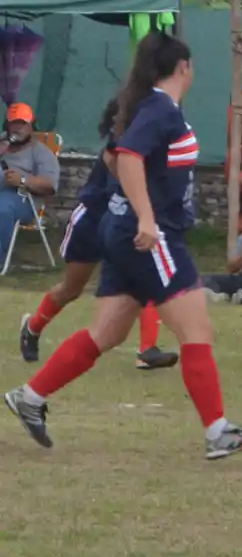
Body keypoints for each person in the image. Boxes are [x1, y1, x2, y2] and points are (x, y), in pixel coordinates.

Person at [4, 31, 242, 459]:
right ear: (183, 67)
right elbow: (126, 156)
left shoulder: (150, 106)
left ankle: (29, 398)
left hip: (126, 231)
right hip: (151, 235)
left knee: (107, 333)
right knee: (196, 329)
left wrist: (134, 202)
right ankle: (219, 431)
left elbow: (116, 156)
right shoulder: (160, 109)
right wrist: (145, 215)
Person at [19, 98, 178, 370]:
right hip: (93, 219)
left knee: (146, 276)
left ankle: (147, 350)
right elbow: (114, 160)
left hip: (124, 221)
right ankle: (32, 328)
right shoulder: (123, 140)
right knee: (71, 290)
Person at [0, 102, 60, 264]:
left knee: (2, 208)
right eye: (13, 124)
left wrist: (23, 180)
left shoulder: (40, 152)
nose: (17, 128)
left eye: (22, 124)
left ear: (31, 126)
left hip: (21, 198)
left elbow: (49, 185)